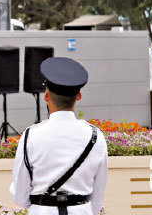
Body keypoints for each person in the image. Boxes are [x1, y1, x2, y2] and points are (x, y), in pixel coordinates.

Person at [11, 57, 108, 215]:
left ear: (46, 96)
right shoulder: (96, 137)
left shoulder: (30, 136)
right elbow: (97, 198)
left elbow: (21, 197)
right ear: (79, 96)